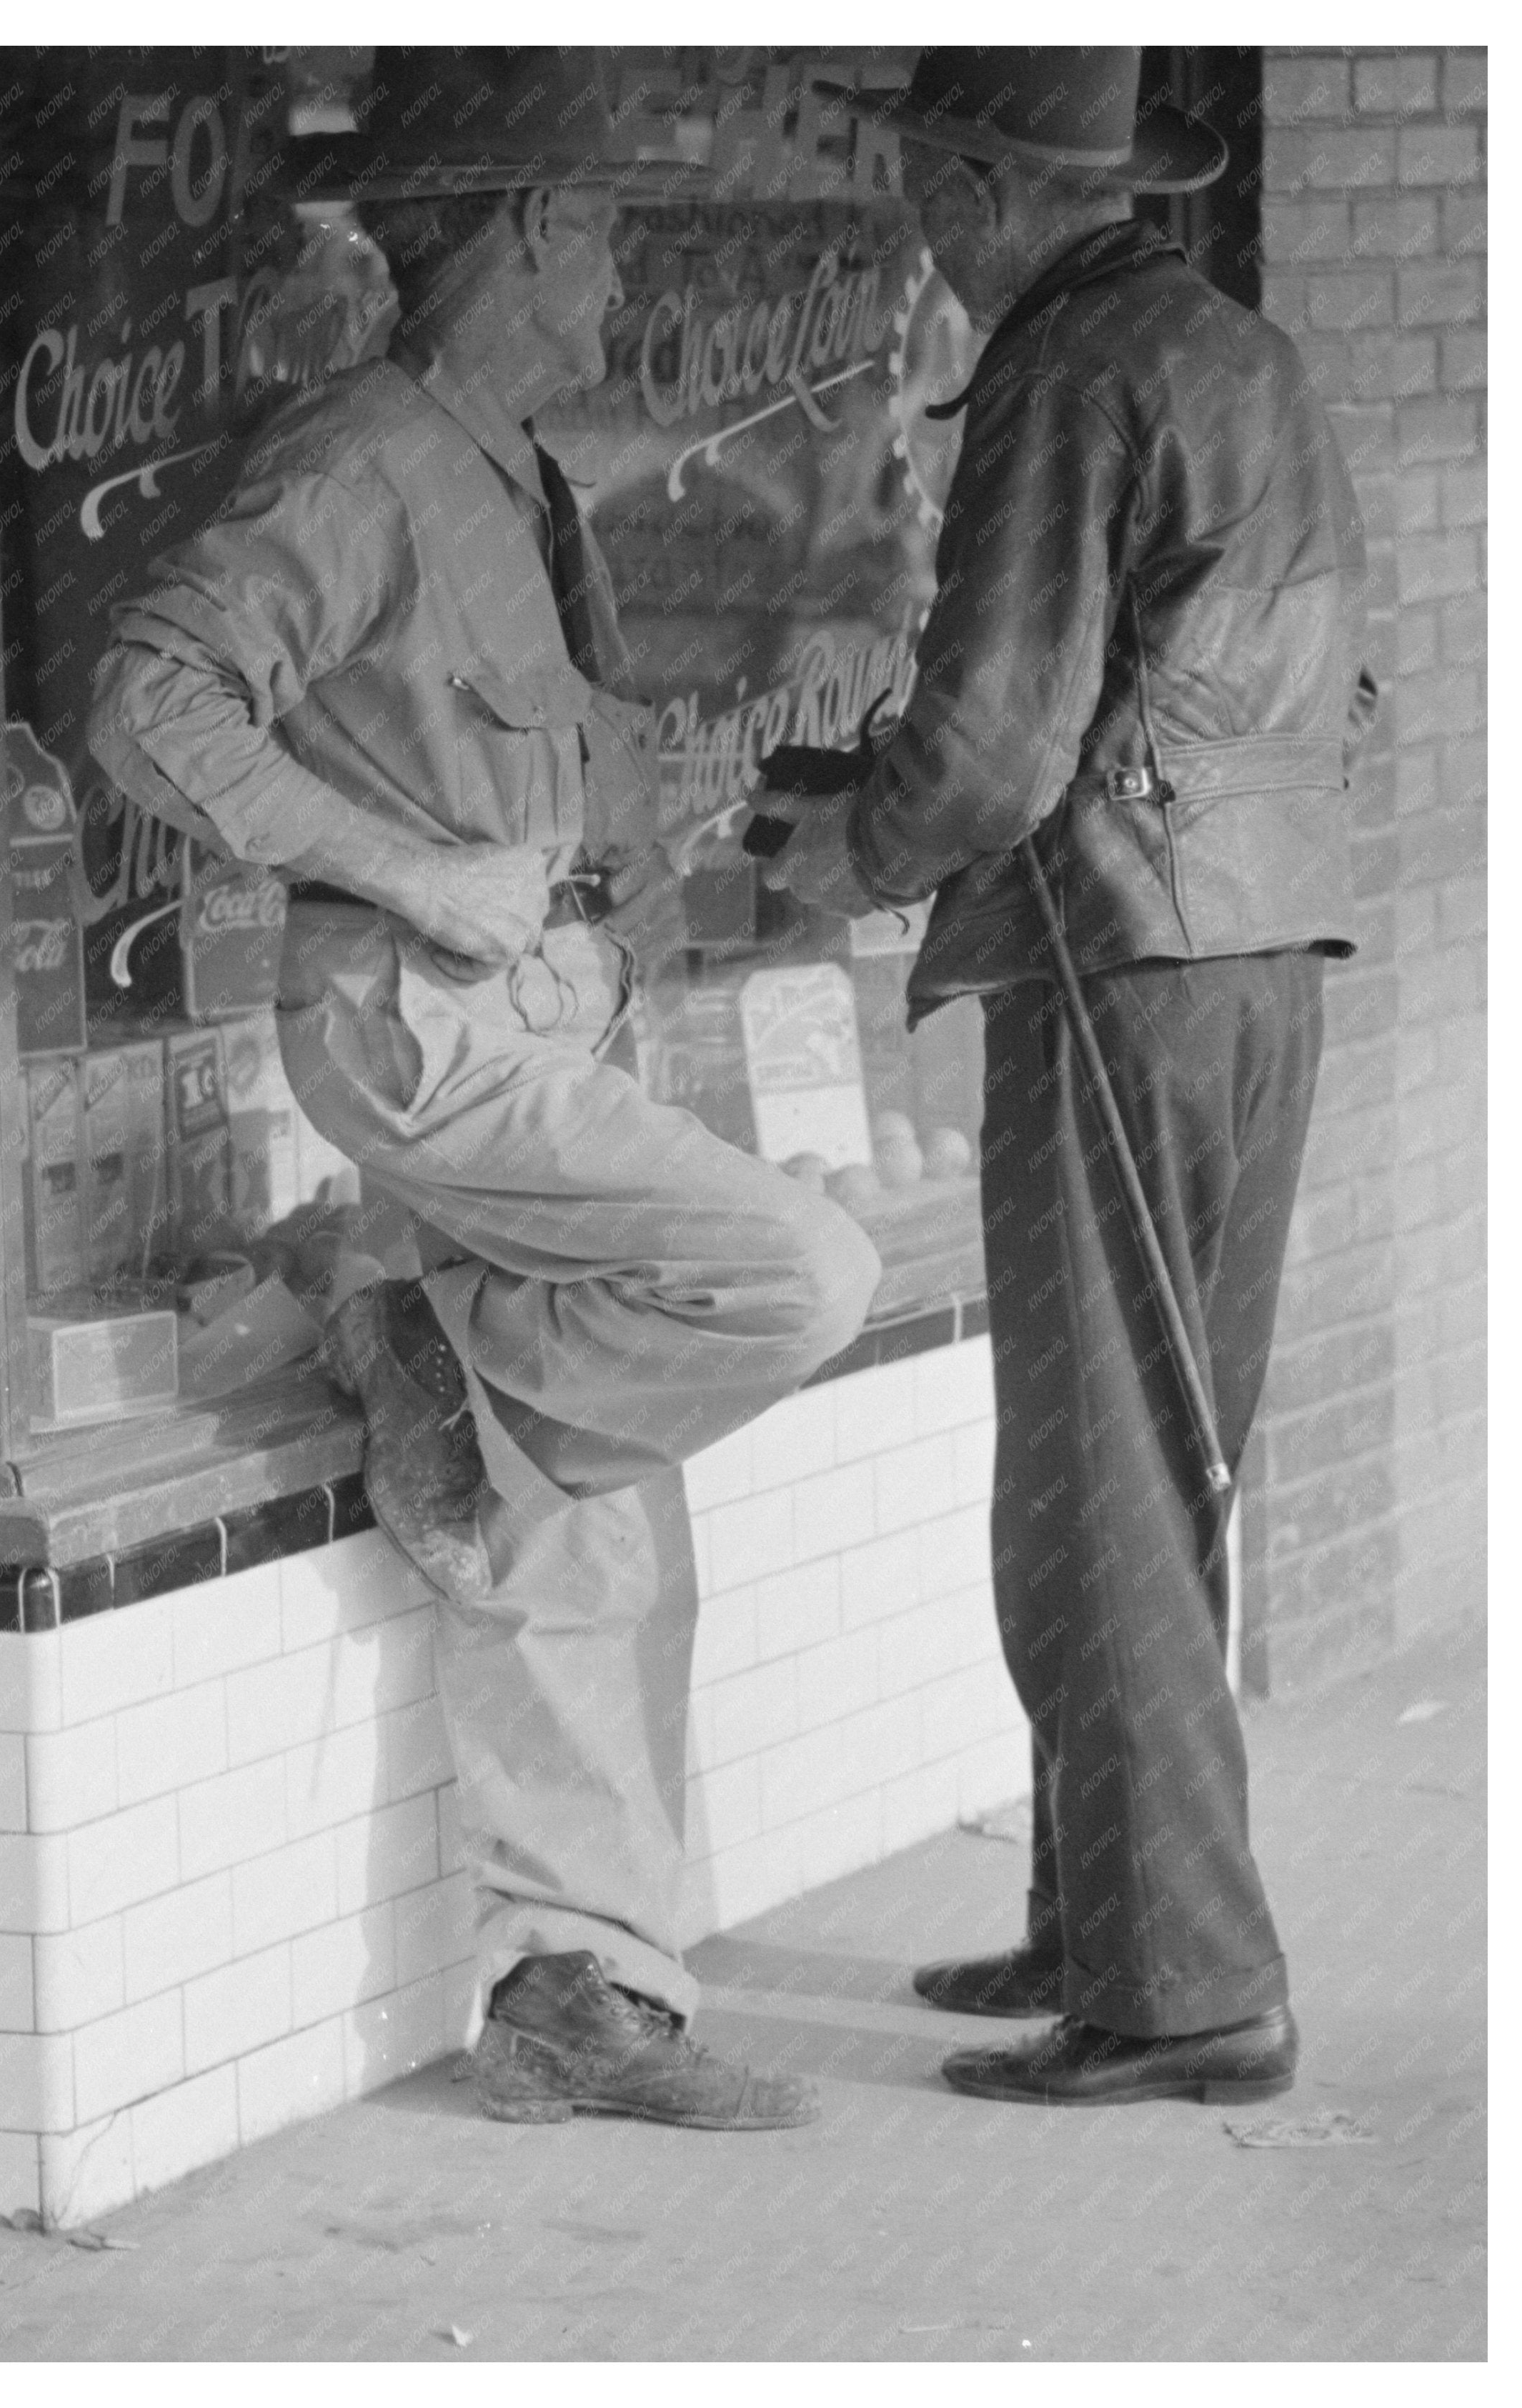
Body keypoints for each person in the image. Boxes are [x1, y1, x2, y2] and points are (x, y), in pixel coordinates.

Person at [89, 49, 880, 2131]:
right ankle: (416, 1322)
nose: (620, 263)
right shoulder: (360, 457)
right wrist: (411, 867)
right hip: (421, 1027)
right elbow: (145, 694)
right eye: (604, 221)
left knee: (576, 1495)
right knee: (795, 1274)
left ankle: (573, 1979)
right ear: (523, 225)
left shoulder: (506, 466)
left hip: (541, 1014)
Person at [764, 47, 1375, 2106]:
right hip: (1261, 961)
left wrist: (838, 846)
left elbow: (1008, 738)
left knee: (1096, 1481)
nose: (919, 220)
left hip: (1120, 964)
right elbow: (1211, 675)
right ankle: (1107, 1920)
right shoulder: (1233, 350)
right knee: (1157, 1474)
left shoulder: (1064, 360)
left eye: (929, 179)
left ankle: (1184, 1992)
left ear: (979, 178)